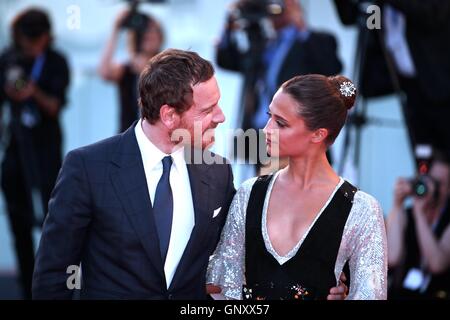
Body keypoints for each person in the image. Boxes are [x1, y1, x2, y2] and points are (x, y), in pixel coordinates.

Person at [32, 49, 348, 300]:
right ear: (169, 115)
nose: (221, 117)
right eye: (208, 110)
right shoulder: (88, 168)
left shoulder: (217, 171)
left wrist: (319, 284)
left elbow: (245, 257)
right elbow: (53, 275)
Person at [207, 74, 388, 300]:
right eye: (269, 116)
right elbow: (223, 285)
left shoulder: (361, 209)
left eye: (280, 123)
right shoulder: (249, 193)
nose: (266, 129)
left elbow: (371, 295)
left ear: (318, 134)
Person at [0, 8, 70, 299]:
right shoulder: (9, 59)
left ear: (45, 37)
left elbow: (55, 106)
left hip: (45, 151)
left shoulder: (56, 62)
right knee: (17, 218)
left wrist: (33, 93)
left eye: (34, 41)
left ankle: (53, 283)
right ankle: (26, 285)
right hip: (15, 149)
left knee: (51, 219)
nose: (29, 47)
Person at [333, 0, 450, 161]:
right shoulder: (380, 7)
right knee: (424, 156)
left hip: (441, 87)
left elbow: (432, 14)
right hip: (409, 90)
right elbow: (352, 17)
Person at [387, 151, 450, 299]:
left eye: (440, 183)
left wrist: (419, 214)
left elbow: (437, 264)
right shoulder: (406, 213)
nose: (432, 187)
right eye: (431, 180)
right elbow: (392, 257)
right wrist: (397, 204)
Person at [98, 10, 164, 132]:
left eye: (154, 31)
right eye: (145, 32)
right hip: (128, 136)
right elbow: (104, 71)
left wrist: (146, 69)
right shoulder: (127, 69)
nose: (149, 35)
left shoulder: (167, 69)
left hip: (157, 139)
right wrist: (116, 29)